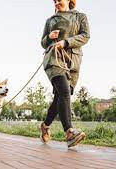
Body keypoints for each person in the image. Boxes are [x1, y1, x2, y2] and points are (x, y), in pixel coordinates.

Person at [39, 0, 90, 147]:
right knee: (64, 91)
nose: (56, 2)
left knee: (59, 98)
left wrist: (66, 42)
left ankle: (45, 125)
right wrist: (49, 37)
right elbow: (43, 42)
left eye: (58, 0)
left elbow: (85, 36)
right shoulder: (50, 20)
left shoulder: (80, 17)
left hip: (72, 62)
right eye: (54, 1)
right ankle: (69, 132)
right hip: (54, 59)